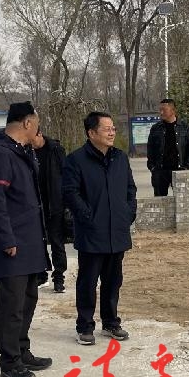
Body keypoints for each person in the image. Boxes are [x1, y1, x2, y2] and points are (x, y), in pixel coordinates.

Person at [0, 102, 52, 377]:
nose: (38, 130)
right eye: (37, 124)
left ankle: (22, 351)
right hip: (13, 242)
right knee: (12, 304)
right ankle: (9, 362)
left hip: (30, 240)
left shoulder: (21, 151)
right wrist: (6, 238)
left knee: (28, 299)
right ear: (27, 123)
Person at [63, 112, 137, 346]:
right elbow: (70, 193)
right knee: (88, 281)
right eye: (107, 129)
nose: (112, 132)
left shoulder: (120, 158)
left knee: (113, 281)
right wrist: (88, 217)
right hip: (91, 232)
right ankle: (85, 326)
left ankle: (111, 322)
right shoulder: (76, 160)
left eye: (113, 128)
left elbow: (130, 189)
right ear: (91, 133)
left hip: (117, 230)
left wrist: (128, 213)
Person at [32, 128, 68, 293]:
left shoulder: (56, 150)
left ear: (39, 134)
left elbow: (67, 175)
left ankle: (59, 277)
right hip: (35, 204)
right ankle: (41, 275)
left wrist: (66, 201)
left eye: (33, 139)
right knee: (37, 241)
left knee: (56, 241)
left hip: (54, 203)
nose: (31, 143)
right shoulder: (27, 152)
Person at [147, 99, 189, 196]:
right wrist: (152, 167)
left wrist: (187, 167)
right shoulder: (156, 128)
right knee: (160, 200)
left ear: (173, 110)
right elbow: (150, 149)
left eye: (164, 110)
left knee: (182, 199)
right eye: (160, 110)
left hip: (179, 170)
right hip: (160, 171)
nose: (161, 112)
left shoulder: (184, 127)